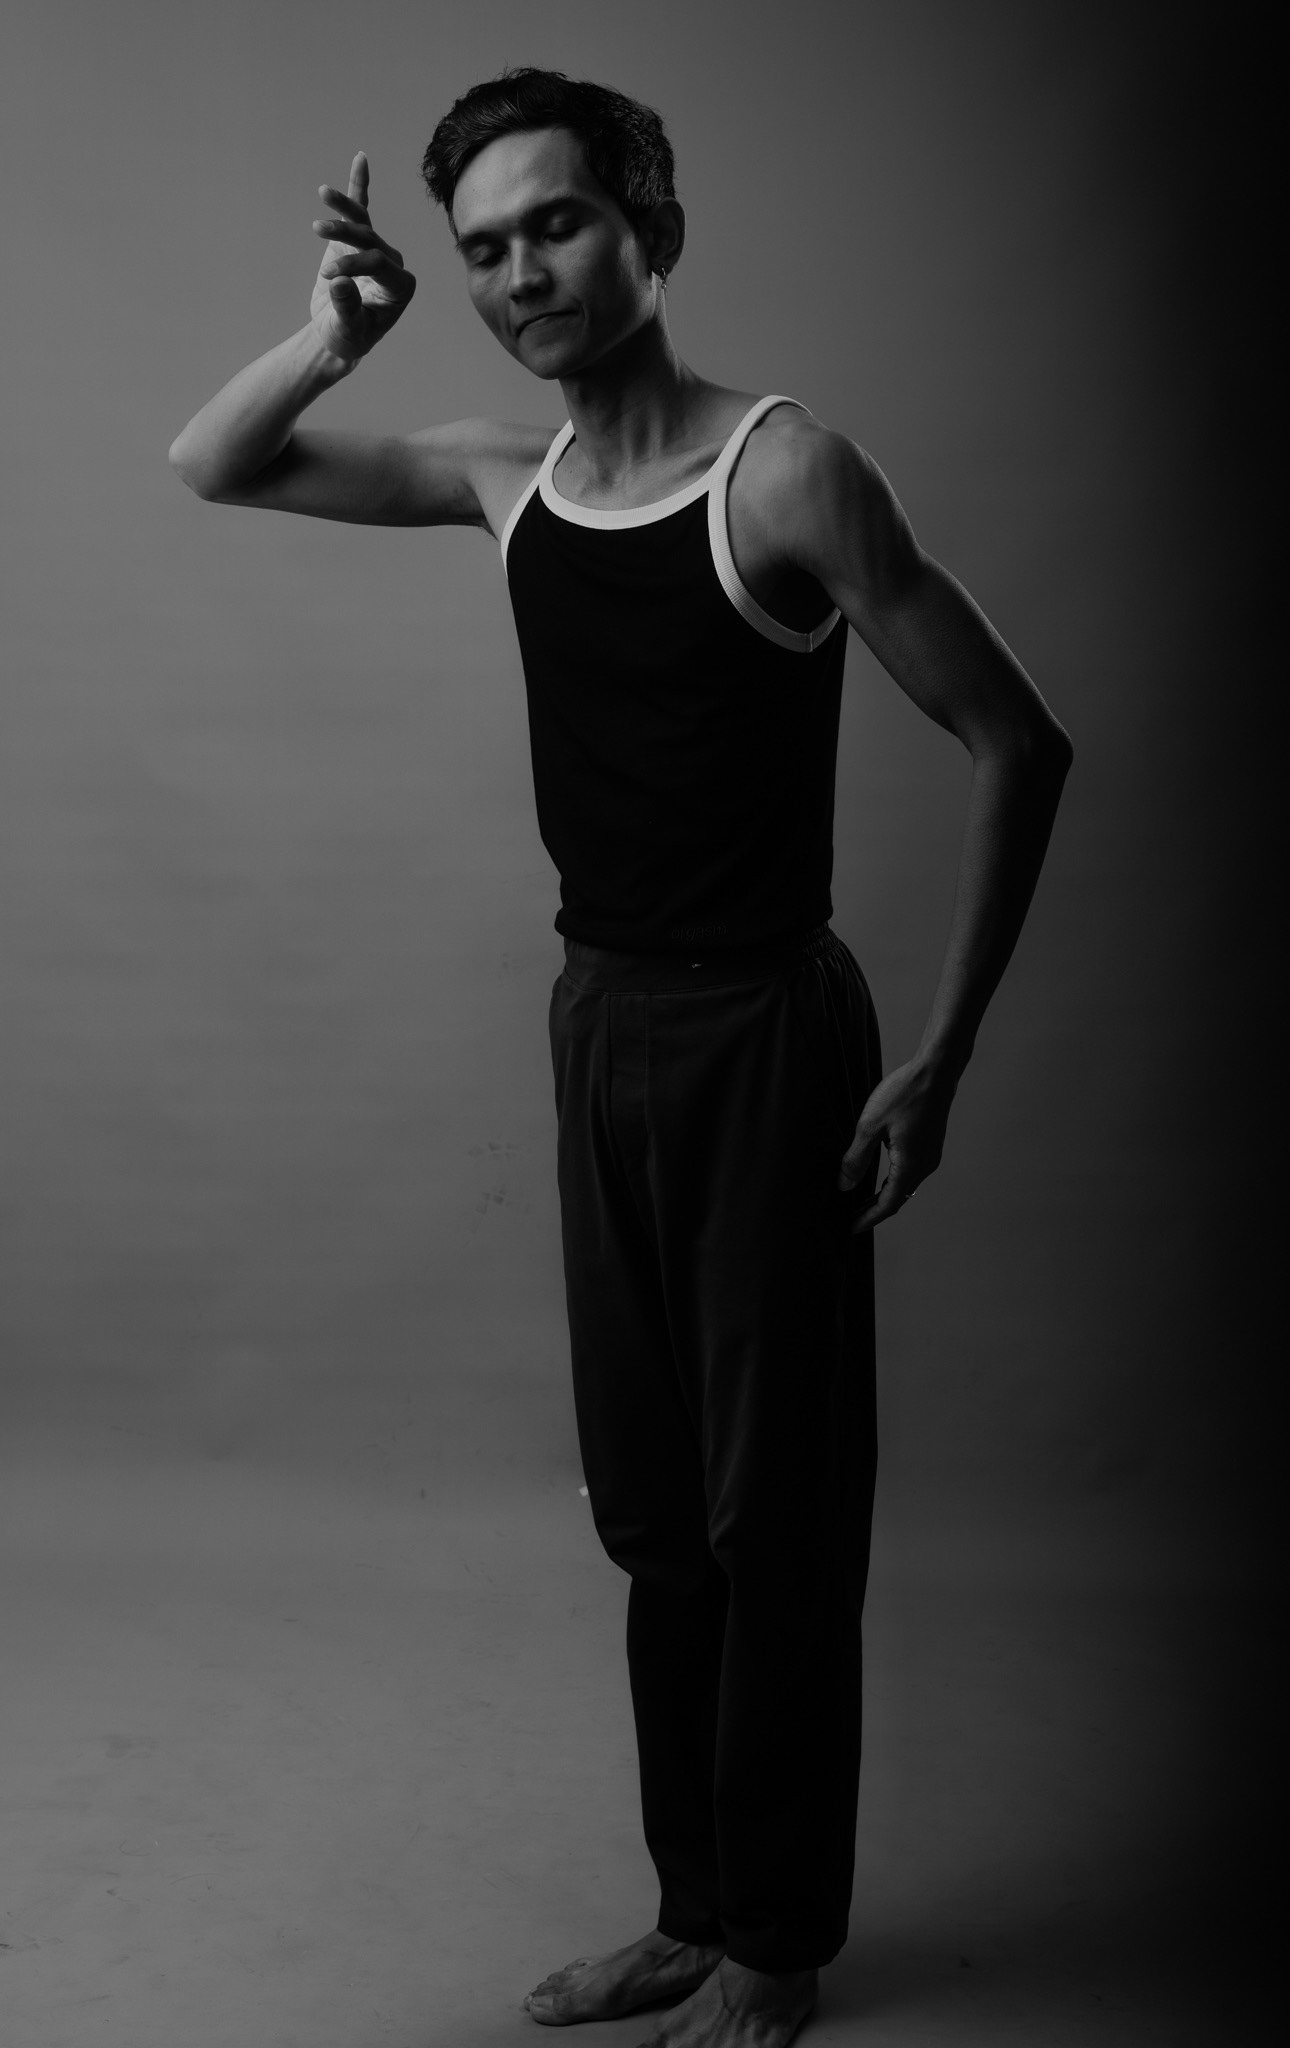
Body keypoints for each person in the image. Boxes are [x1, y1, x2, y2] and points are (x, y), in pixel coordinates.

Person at [170, 67, 1072, 2048]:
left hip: (765, 1031)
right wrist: (335, 337)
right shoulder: (506, 480)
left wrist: (938, 1059)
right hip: (600, 1024)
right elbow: (211, 462)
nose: (519, 274)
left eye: (555, 224)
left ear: (650, 227)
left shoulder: (787, 475)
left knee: (776, 1517)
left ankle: (779, 1944)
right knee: (655, 1515)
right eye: (483, 247)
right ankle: (693, 1909)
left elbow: (1023, 743)